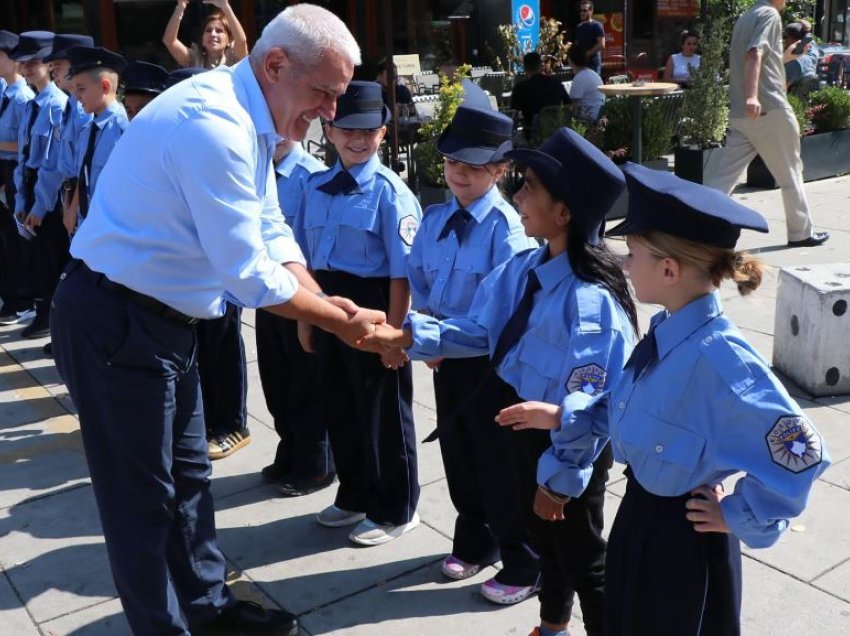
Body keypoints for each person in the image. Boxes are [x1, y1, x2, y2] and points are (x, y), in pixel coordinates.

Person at [49, 5, 373, 635]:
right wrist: (343, 323)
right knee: (142, 505)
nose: (331, 113)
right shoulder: (215, 123)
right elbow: (248, 274)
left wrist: (316, 300)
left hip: (164, 324)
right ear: (276, 64)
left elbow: (267, 219)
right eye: (325, 93)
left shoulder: (248, 111)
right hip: (117, 322)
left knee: (190, 482)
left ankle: (209, 612)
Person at [500, 162, 830, 634]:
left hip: (684, 540)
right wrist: (560, 416)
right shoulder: (667, 333)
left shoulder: (721, 360)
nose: (624, 265)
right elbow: (632, 409)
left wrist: (737, 514)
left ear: (669, 269)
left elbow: (801, 453)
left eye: (632, 254)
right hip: (641, 517)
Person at [361, 127, 637, 634]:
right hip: (525, 431)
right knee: (549, 549)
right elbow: (481, 331)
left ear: (565, 212)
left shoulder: (590, 302)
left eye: (530, 187)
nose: (517, 195)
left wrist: (559, 479)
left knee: (583, 560)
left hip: (564, 446)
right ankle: (552, 625)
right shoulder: (525, 268)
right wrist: (403, 336)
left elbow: (589, 403)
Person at [405, 103, 539, 594]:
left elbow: (495, 323)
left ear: (501, 170)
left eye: (474, 165)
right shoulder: (436, 218)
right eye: (452, 161)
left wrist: (428, 338)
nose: (458, 172)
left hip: (491, 367)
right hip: (445, 358)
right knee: (459, 453)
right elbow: (419, 276)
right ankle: (475, 539)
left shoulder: (508, 232)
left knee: (498, 461)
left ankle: (525, 560)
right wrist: (428, 330)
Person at [302, 80, 422, 546]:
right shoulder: (315, 187)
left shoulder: (391, 193)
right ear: (328, 130)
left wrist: (394, 335)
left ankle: (397, 506)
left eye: (369, 131)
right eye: (347, 129)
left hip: (375, 308)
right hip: (329, 304)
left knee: (383, 412)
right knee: (340, 404)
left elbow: (401, 274)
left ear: (385, 133)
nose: (358, 139)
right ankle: (355, 494)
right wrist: (306, 318)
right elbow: (306, 261)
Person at [706, 0, 829, 248]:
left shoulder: (746, 17)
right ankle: (800, 233)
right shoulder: (770, 14)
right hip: (768, 108)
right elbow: (754, 53)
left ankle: (693, 226)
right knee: (791, 172)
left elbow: (758, 57)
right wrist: (753, 96)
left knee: (722, 178)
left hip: (741, 112)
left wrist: (786, 57)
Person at [257, 138, 336, 496]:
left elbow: (314, 248)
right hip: (268, 294)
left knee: (306, 386)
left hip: (300, 297)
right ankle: (289, 449)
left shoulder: (312, 177)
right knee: (276, 380)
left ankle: (315, 464)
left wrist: (311, 311)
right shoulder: (258, 169)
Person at [12, 32, 69, 342]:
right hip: (33, 190)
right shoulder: (33, 105)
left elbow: (53, 165)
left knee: (53, 262)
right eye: (24, 64)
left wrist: (38, 206)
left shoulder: (57, 106)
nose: (27, 69)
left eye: (34, 63)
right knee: (39, 262)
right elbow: (24, 156)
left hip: (50, 197)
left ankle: (54, 324)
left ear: (49, 65)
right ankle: (47, 318)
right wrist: (21, 200)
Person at [65, 46, 129, 234]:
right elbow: (84, 173)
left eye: (81, 89)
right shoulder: (88, 129)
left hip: (111, 228)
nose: (77, 96)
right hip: (87, 224)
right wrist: (73, 210)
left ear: (105, 86)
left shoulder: (122, 130)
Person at [0, 30, 36, 325]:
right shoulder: (5, 92)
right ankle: (13, 295)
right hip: (5, 171)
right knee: (6, 240)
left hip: (15, 171)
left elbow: (24, 143)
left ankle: (24, 299)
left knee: (16, 239)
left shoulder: (23, 97)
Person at [163, 0, 248, 69]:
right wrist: (180, 7)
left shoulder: (234, 59)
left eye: (219, 31)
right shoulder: (194, 59)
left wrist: (226, 7)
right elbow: (169, 41)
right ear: (202, 39)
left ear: (229, 40)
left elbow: (242, 41)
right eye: (208, 30)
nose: (213, 34)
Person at [511, 50, 570, 140]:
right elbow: (568, 105)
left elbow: (513, 114)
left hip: (530, 135)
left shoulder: (520, 88)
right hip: (555, 133)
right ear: (541, 66)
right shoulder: (556, 83)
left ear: (525, 68)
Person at [567, 45, 605, 123]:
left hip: (588, 119)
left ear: (570, 60)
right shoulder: (593, 74)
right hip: (598, 116)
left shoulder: (579, 78)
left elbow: (574, 107)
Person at [783, 21, 818, 97]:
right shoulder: (812, 51)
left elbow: (781, 90)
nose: (784, 41)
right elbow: (808, 37)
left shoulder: (793, 63)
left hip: (794, 102)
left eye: (785, 37)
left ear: (793, 40)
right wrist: (807, 30)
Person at [574, 2, 605, 75]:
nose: (582, 13)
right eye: (580, 11)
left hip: (593, 64)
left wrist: (588, 53)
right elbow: (577, 44)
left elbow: (601, 44)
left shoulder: (597, 25)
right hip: (581, 64)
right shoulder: (579, 27)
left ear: (591, 11)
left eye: (584, 10)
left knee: (593, 85)